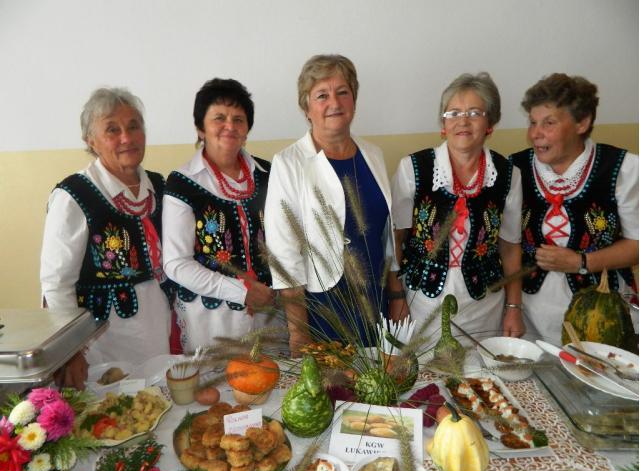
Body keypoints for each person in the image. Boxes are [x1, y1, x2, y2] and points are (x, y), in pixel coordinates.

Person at [264, 54, 397, 354]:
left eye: (342, 92)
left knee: (379, 378)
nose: (334, 102)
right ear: (306, 108)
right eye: (322, 95)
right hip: (324, 307)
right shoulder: (289, 163)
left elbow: (386, 235)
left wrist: (397, 297)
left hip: (376, 299)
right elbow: (285, 255)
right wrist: (299, 334)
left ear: (354, 100)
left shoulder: (373, 155)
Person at [40, 87, 172, 389]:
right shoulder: (74, 195)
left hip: (159, 329)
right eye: (112, 129)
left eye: (134, 126)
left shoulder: (159, 186)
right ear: (91, 140)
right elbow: (56, 283)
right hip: (103, 340)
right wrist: (70, 350)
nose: (127, 137)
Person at [390, 72, 524, 347]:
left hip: (484, 306)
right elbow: (395, 240)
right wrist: (396, 297)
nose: (463, 121)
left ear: (490, 123)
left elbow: (510, 247)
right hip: (420, 303)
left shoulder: (508, 175)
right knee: (421, 370)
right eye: (453, 113)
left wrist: (514, 307)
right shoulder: (413, 169)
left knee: (480, 371)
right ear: (443, 124)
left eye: (474, 113)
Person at [512, 73, 638, 343]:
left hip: (601, 316)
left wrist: (581, 262)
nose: (535, 133)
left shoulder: (624, 169)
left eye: (549, 123)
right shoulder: (514, 169)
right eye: (533, 122)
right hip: (529, 316)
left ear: (582, 122)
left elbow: (636, 244)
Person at [162, 78, 278, 353]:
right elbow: (176, 264)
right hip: (211, 320)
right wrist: (241, 291)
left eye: (238, 119)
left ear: (247, 129)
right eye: (219, 118)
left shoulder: (270, 174)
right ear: (200, 128)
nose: (230, 126)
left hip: (271, 314)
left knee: (275, 377)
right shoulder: (183, 183)